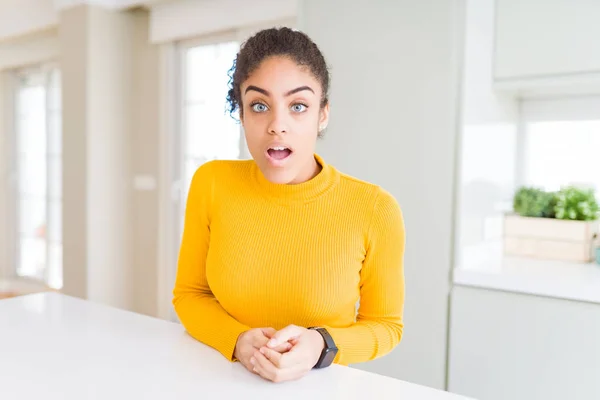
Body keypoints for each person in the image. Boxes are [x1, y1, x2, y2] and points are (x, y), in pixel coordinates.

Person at [172, 27, 406, 383]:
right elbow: (190, 295)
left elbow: (386, 327)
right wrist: (236, 340)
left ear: (322, 114)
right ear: (242, 113)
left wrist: (322, 344)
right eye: (260, 106)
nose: (277, 126)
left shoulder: (374, 209)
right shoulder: (211, 183)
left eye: (298, 106)